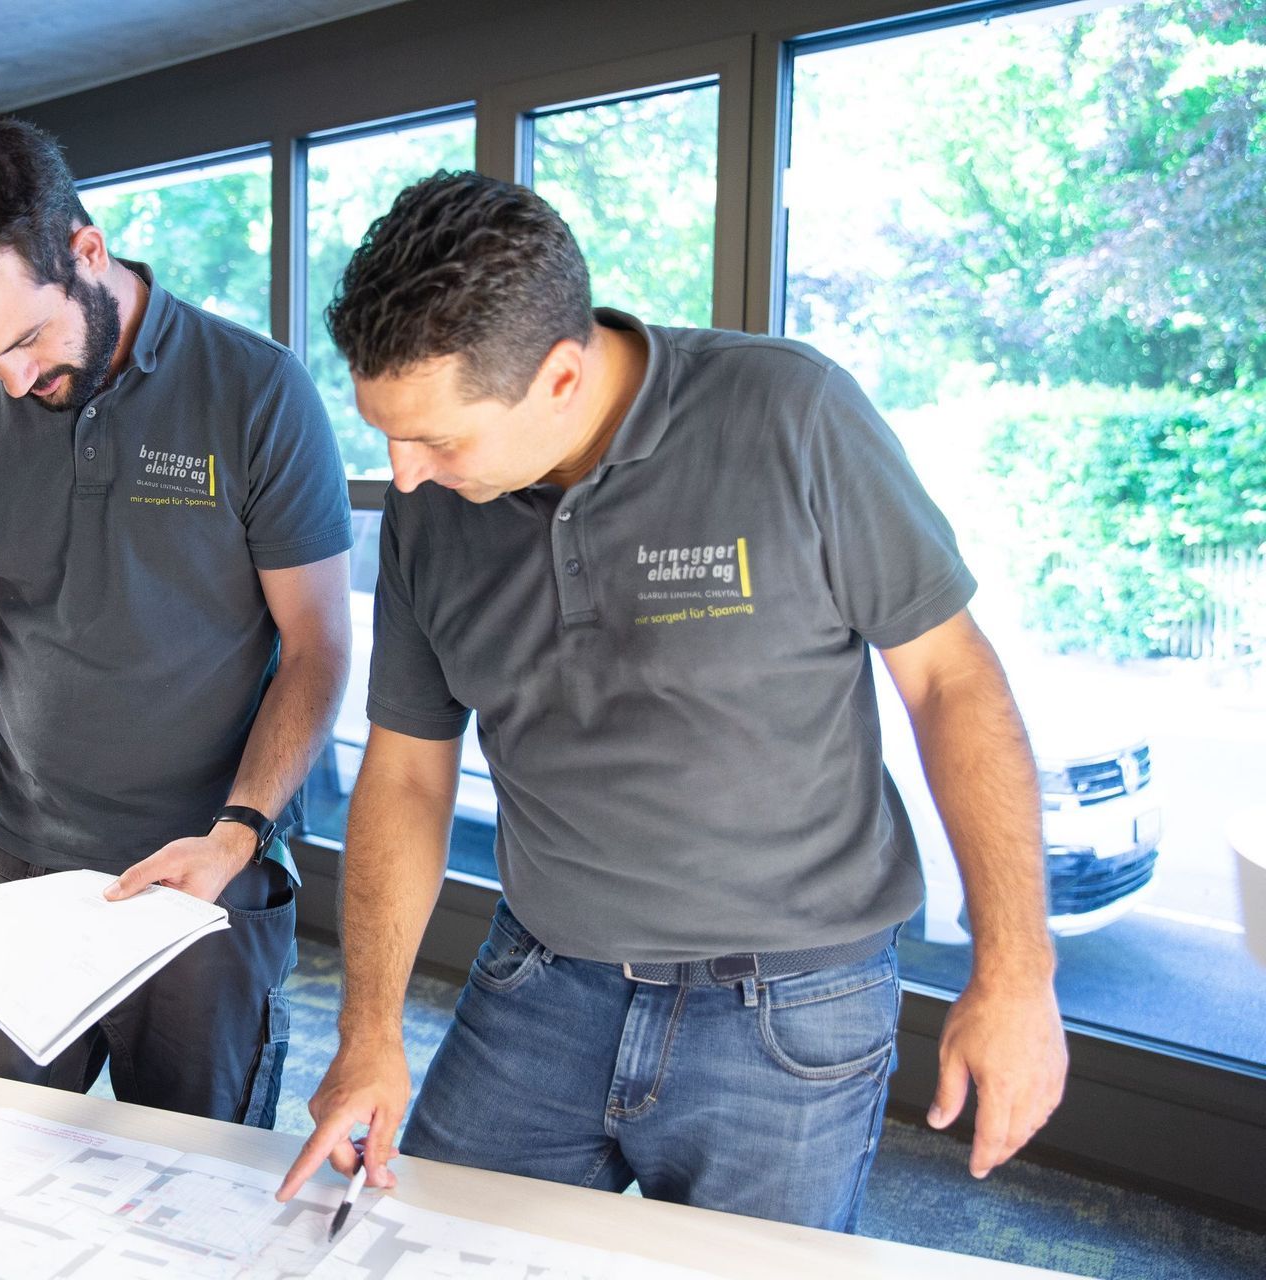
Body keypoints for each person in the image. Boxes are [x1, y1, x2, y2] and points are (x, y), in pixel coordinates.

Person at [277, 171, 1068, 1229]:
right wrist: (368, 1028)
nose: (403, 476)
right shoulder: (434, 515)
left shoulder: (793, 415)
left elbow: (950, 678)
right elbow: (409, 773)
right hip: (540, 985)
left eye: (438, 439)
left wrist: (1015, 971)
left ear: (561, 376)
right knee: (422, 1250)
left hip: (787, 1010)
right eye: (385, 432)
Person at [0, 117, 352, 1127]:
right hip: (21, 872)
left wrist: (238, 832)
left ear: (87, 252)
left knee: (193, 1200)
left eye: (27, 341)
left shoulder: (258, 394)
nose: (13, 384)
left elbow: (318, 645)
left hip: (206, 881)